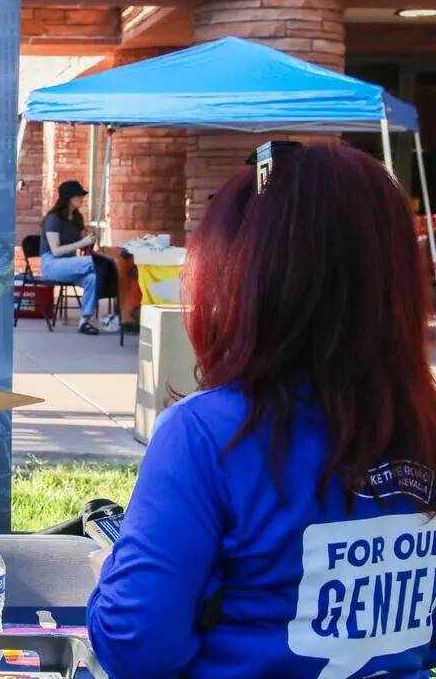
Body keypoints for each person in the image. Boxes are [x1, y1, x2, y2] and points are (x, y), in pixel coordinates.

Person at [87, 142, 436, 678]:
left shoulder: (205, 435)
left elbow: (136, 645)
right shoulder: (421, 421)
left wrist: (108, 577)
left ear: (242, 278)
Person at [40, 180, 99, 334]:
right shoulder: (53, 219)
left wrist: (90, 237)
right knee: (96, 262)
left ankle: (84, 321)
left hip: (71, 265)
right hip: (52, 264)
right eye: (79, 195)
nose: (82, 198)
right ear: (69, 197)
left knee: (93, 278)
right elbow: (56, 251)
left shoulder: (77, 218)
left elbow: (83, 243)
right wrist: (82, 243)